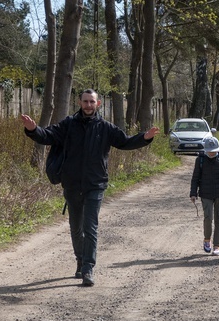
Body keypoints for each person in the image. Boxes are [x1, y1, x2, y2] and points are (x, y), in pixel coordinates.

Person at [20, 89, 160, 286]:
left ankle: (88, 269)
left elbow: (125, 142)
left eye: (91, 102)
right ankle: (80, 260)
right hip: (71, 184)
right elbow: (48, 136)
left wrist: (144, 137)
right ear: (79, 102)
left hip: (96, 184)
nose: (88, 105)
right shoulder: (68, 124)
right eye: (85, 102)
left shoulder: (105, 127)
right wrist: (33, 130)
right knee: (76, 228)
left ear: (98, 104)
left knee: (90, 227)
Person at [189, 136, 219, 256]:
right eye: (209, 151)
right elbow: (195, 178)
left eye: (214, 151)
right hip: (205, 194)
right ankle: (207, 239)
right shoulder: (200, 160)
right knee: (208, 218)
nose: (211, 153)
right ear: (205, 150)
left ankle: (217, 245)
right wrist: (193, 193)